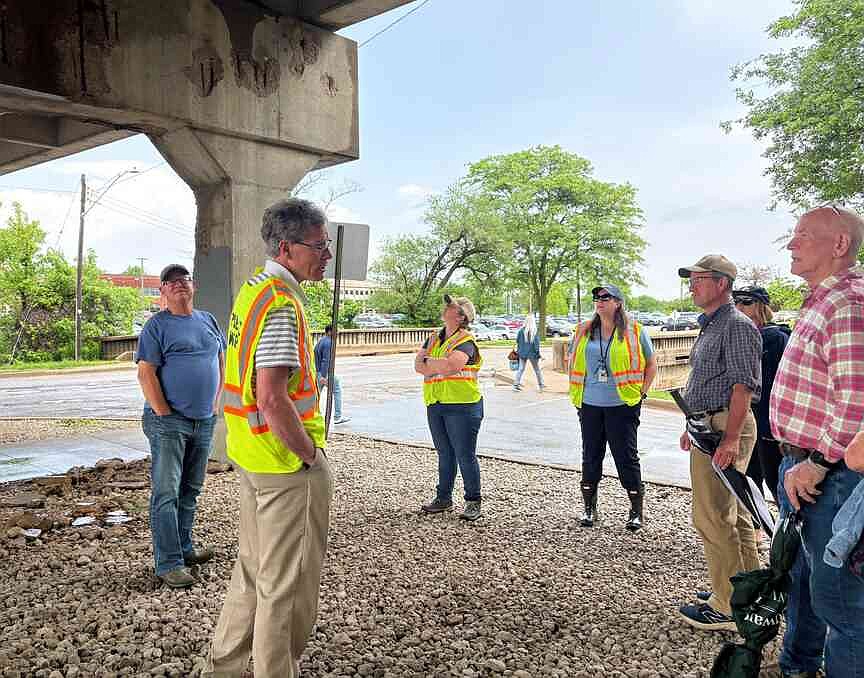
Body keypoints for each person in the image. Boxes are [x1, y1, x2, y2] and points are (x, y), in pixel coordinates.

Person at [205, 198, 334, 678]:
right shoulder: (282, 305)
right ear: (287, 247)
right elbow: (273, 397)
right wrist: (309, 456)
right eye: (319, 247)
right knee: (286, 586)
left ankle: (223, 667)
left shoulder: (253, 290)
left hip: (252, 455)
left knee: (252, 574)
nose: (326, 256)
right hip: (283, 464)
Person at [770, 205, 864, 678]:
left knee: (843, 606)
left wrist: (819, 463)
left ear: (840, 244)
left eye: (803, 235)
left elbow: (858, 400)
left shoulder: (848, 303)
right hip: (806, 470)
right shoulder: (822, 299)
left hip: (832, 476)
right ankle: (798, 665)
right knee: (803, 581)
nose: (791, 244)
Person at [675, 255, 763, 631]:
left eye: (699, 279)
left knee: (713, 515)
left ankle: (726, 606)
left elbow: (744, 386)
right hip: (709, 424)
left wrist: (728, 438)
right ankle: (745, 590)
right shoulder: (712, 324)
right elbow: (709, 379)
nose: (692, 285)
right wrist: (692, 424)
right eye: (691, 279)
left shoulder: (737, 326)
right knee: (736, 513)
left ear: (722, 283)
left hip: (725, 425)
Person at [136, 264, 226, 588]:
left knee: (190, 490)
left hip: (204, 420)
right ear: (162, 291)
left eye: (184, 279)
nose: (178, 284)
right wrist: (163, 412)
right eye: (170, 282)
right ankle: (169, 562)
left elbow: (220, 360)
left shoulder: (208, 321)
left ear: (193, 285)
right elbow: (146, 373)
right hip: (169, 421)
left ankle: (185, 548)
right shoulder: (156, 326)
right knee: (166, 493)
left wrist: (214, 403)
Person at [568, 284, 657, 532]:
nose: (599, 301)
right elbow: (572, 360)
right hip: (589, 404)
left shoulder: (635, 331)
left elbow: (651, 364)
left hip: (622, 404)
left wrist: (642, 392)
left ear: (618, 302)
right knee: (591, 454)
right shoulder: (584, 330)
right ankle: (589, 507)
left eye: (605, 297)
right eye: (596, 297)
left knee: (625, 456)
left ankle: (636, 510)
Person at [415, 294, 484, 521]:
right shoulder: (434, 337)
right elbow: (418, 366)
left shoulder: (466, 340)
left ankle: (473, 501)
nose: (446, 307)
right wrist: (438, 365)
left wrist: (431, 364)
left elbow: (453, 366)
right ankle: (443, 498)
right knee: (445, 453)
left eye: (451, 306)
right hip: (436, 403)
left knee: (464, 455)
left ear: (461, 316)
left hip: (462, 406)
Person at [732, 285, 790, 504]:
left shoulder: (776, 338)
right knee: (748, 478)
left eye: (746, 302)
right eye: (736, 302)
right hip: (745, 419)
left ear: (760, 306)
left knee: (776, 481)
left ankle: (790, 534)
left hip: (769, 423)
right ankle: (755, 531)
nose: (739, 307)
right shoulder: (737, 335)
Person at [314, 325, 350, 424]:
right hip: (324, 373)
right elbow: (326, 360)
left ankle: (313, 415)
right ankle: (337, 416)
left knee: (316, 395)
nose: (337, 333)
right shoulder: (329, 343)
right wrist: (323, 376)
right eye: (336, 331)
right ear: (330, 332)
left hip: (318, 372)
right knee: (337, 390)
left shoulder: (321, 341)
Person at [513, 314, 545, 392]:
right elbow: (536, 345)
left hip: (522, 353)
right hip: (532, 354)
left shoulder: (521, 331)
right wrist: (539, 354)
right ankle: (541, 385)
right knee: (537, 370)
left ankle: (516, 385)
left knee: (521, 369)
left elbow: (517, 341)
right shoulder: (534, 331)